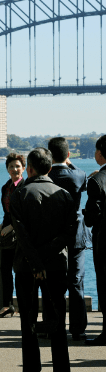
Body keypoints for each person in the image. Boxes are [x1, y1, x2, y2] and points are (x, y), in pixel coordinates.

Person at [11, 147, 76, 372]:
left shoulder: (19, 194)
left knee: (27, 320)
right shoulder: (65, 195)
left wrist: (36, 262)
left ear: (29, 168)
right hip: (57, 264)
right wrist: (46, 257)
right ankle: (62, 371)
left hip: (26, 266)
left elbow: (21, 233)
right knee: (58, 319)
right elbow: (69, 234)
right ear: (50, 168)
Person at [48, 137, 90, 341]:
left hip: (53, 235)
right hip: (76, 234)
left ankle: (54, 325)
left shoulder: (47, 176)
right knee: (76, 281)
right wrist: (70, 162)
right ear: (68, 154)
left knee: (54, 281)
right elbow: (79, 175)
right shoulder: (78, 175)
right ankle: (78, 328)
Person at [0, 153, 25, 318]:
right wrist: (4, 225)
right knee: (4, 269)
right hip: (8, 233)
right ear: (7, 169)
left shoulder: (26, 186)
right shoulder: (5, 187)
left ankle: (23, 304)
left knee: (20, 270)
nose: (14, 169)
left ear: (24, 168)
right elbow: (8, 211)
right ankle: (7, 305)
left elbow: (25, 213)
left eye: (18, 166)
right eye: (11, 166)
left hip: (22, 234)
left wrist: (12, 226)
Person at [84, 134, 106, 346]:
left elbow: (91, 217)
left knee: (104, 284)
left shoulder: (96, 181)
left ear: (100, 153)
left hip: (103, 240)